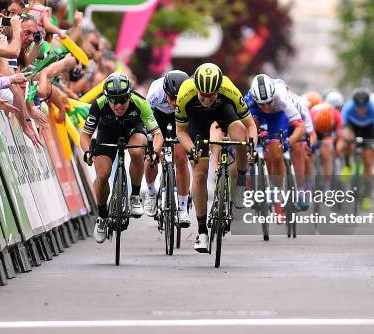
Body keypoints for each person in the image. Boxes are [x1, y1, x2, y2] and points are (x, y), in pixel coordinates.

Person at [175, 63, 257, 253]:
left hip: (224, 113)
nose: (206, 100)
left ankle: (241, 182)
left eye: (211, 96)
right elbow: (181, 131)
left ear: (218, 90)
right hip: (196, 121)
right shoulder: (185, 92)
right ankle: (202, 231)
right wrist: (191, 149)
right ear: (196, 89)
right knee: (200, 173)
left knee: (240, 135)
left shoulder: (229, 89)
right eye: (202, 95)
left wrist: (251, 143)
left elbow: (251, 125)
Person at [81, 72, 164, 243]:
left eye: (122, 100)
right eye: (113, 100)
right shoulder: (98, 104)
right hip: (107, 133)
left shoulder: (140, 102)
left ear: (129, 96)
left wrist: (154, 151)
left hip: (133, 130)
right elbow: (85, 135)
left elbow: (157, 134)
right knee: (102, 176)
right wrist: (87, 151)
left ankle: (134, 195)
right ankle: (102, 216)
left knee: (136, 150)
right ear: (107, 98)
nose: (118, 105)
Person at [143, 70, 191, 227]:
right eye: (171, 98)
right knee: (152, 157)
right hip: (157, 117)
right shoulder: (155, 92)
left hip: (179, 118)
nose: (174, 102)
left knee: (181, 158)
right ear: (165, 92)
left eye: (178, 98)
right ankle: (151, 193)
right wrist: (151, 143)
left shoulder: (190, 93)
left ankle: (183, 209)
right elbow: (145, 119)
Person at [246, 74, 306, 193]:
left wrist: (289, 141)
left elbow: (301, 126)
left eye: (268, 102)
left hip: (278, 116)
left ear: (273, 96)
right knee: (249, 131)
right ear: (255, 99)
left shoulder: (282, 97)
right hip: (257, 114)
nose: (266, 107)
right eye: (262, 104)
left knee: (276, 153)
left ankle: (277, 191)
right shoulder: (248, 100)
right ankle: (249, 173)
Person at [337, 88, 374, 211]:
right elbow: (343, 127)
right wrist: (345, 139)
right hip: (352, 126)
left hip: (368, 128)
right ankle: (347, 165)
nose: (361, 109)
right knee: (347, 140)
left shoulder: (373, 108)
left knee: (368, 161)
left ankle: (367, 196)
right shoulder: (348, 107)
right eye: (358, 106)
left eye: (363, 107)